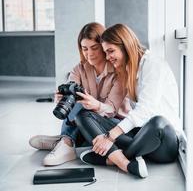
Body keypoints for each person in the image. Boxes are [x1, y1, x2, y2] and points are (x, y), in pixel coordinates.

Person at [75, 23, 181, 178]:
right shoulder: (127, 70)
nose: (108, 57)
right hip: (140, 136)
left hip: (163, 142)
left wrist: (109, 137)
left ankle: (110, 158)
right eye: (105, 52)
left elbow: (146, 111)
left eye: (111, 51)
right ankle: (125, 163)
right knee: (83, 115)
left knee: (157, 122)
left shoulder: (153, 64)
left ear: (125, 46)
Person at [29, 22, 127, 166]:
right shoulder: (79, 69)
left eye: (94, 48)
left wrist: (96, 105)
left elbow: (112, 109)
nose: (89, 54)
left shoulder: (118, 70)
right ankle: (66, 141)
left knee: (84, 107)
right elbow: (71, 88)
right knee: (75, 99)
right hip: (85, 123)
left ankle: (64, 142)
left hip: (114, 125)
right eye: (84, 48)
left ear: (104, 46)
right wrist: (63, 97)